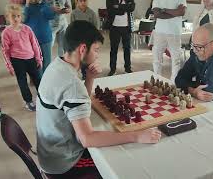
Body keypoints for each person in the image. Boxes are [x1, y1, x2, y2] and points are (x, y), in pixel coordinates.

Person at [36, 21, 161, 178]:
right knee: (123, 159)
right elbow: (87, 139)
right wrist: (136, 135)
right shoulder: (72, 84)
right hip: (63, 163)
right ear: (82, 49)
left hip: (49, 150)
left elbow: (78, 103)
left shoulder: (56, 65)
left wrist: (89, 78)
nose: (97, 55)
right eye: (95, 50)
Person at [1, 4, 42, 111]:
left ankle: (43, 98)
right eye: (13, 16)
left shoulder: (27, 29)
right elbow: (5, 51)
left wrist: (38, 58)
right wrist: (9, 66)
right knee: (22, 82)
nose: (16, 18)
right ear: (8, 17)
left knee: (38, 80)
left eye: (18, 16)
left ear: (21, 17)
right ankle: (28, 101)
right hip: (17, 61)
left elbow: (35, 44)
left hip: (31, 59)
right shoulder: (6, 32)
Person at [152, 0, 186, 81]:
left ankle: (174, 83)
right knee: (157, 59)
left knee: (176, 60)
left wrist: (164, 10)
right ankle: (157, 80)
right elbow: (156, 14)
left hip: (175, 32)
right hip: (160, 31)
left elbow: (181, 12)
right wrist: (175, 12)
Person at [24, 0, 56, 75]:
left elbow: (51, 16)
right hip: (33, 40)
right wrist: (27, 5)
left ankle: (46, 79)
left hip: (46, 38)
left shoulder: (44, 5)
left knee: (47, 61)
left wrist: (52, 9)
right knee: (36, 62)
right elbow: (23, 19)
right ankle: (39, 80)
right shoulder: (27, 8)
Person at [106, 0, 135, 76]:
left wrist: (118, 7)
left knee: (127, 49)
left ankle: (127, 68)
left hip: (126, 28)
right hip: (114, 28)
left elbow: (132, 8)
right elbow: (110, 10)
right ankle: (112, 69)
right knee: (113, 49)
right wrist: (124, 9)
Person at [71, 0, 98, 79]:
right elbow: (72, 28)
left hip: (89, 40)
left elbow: (95, 27)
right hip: (79, 41)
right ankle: (84, 75)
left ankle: (90, 74)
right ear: (77, 2)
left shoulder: (91, 13)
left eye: (85, 1)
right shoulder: (74, 13)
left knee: (89, 58)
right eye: (81, 1)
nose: (83, 3)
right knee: (81, 58)